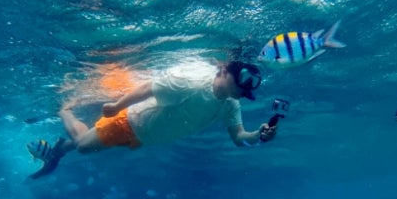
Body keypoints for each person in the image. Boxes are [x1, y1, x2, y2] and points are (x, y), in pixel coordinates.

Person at [42, 60, 277, 171]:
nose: (239, 93)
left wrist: (258, 134)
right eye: (238, 85)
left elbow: (238, 137)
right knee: (84, 146)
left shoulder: (231, 104)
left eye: (244, 92)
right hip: (130, 121)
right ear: (224, 70)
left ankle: (62, 146)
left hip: (145, 136)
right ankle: (64, 110)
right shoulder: (192, 82)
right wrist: (117, 106)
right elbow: (148, 87)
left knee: (88, 145)